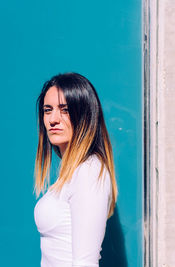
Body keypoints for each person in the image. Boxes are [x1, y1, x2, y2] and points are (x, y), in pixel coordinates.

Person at [34, 72, 118, 267]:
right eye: (48, 110)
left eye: (65, 110)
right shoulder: (73, 172)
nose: (53, 119)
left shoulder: (89, 170)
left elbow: (85, 262)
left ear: (84, 114)